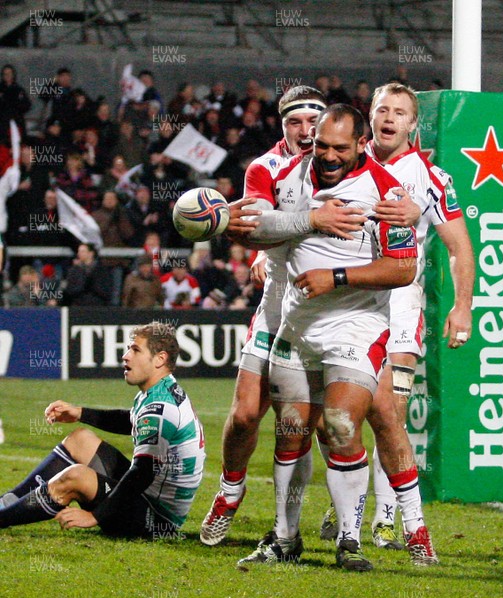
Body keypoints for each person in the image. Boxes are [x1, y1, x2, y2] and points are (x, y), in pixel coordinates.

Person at [237, 104, 417, 570]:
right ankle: (284, 538)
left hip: (356, 327)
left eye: (341, 148)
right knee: (291, 432)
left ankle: (350, 540)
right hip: (297, 326)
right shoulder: (290, 176)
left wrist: (335, 277)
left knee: (338, 425)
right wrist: (311, 221)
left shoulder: (386, 192)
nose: (329, 156)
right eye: (322, 146)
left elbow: (403, 268)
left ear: (362, 144)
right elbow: (252, 230)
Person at [199, 86, 365, 546]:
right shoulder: (265, 168)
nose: (306, 130)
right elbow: (254, 228)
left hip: (336, 305)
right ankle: (230, 490)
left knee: (321, 421)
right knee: (246, 413)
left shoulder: (347, 163)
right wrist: (266, 240)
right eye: (296, 121)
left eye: (314, 120)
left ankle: (331, 513)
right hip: (277, 298)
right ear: (283, 125)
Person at [317, 83, 473, 563]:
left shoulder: (428, 178)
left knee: (389, 412)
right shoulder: (340, 163)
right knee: (333, 420)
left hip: (401, 308)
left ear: (412, 124)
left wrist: (462, 305)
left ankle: (388, 517)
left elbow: (459, 247)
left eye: (400, 112)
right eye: (382, 108)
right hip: (343, 306)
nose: (389, 117)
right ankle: (349, 503)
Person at [0, 322, 206, 538]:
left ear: (160, 359)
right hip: (146, 495)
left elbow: (143, 473)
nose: (126, 356)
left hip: (155, 518)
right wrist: (80, 413)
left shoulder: (161, 408)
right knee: (81, 439)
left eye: (135, 350)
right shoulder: (160, 389)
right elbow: (132, 421)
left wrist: (97, 516)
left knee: (75, 477)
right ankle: (9, 501)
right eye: (128, 348)